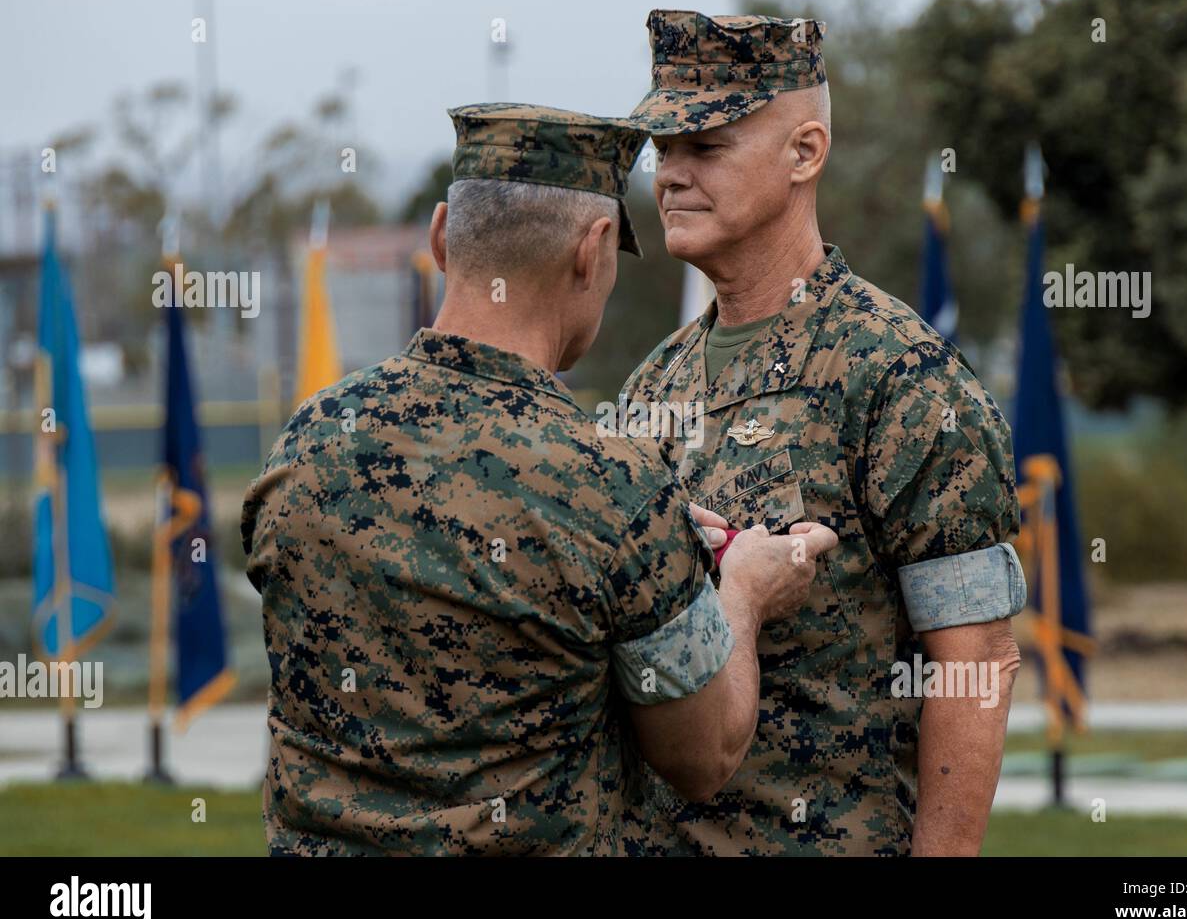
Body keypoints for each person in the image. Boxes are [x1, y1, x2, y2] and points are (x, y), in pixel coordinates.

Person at [241, 102, 837, 855]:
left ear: (437, 240)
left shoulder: (307, 443)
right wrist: (744, 594)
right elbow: (704, 756)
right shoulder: (612, 484)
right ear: (592, 250)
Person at [621, 11, 1026, 855]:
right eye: (665, 149)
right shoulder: (654, 383)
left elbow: (976, 657)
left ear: (804, 153)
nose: (672, 176)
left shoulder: (898, 377)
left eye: (708, 147)